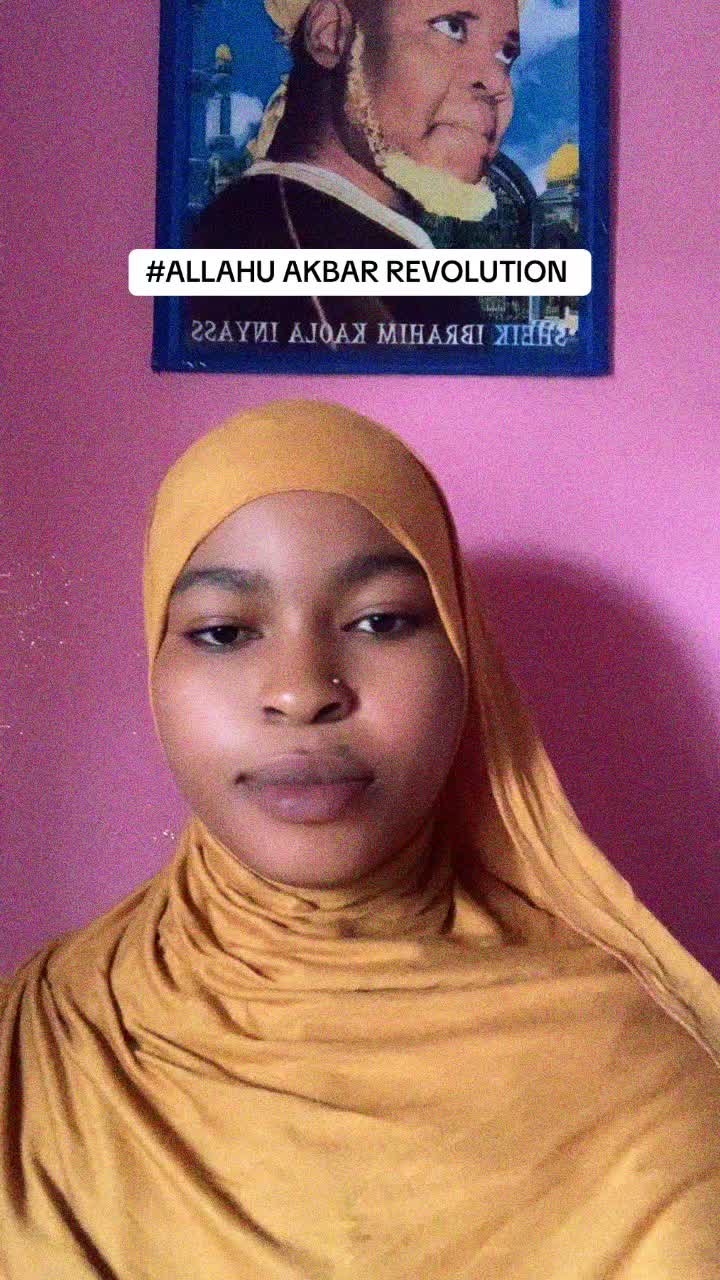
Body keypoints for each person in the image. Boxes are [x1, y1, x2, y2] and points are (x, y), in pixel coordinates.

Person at [1, 399, 718, 1279]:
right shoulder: (36, 1054)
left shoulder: (649, 1088)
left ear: (468, 666)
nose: (303, 691)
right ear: (155, 674)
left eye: (382, 621)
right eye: (223, 632)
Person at [189, 0, 525, 343]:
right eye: (452, 28)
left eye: (505, 55)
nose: (497, 84)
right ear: (331, 34)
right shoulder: (270, 243)